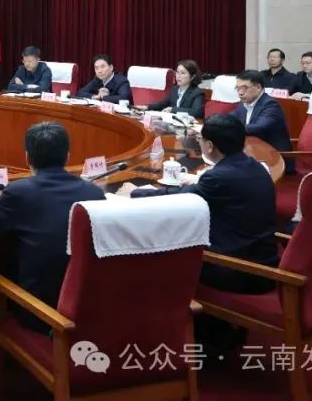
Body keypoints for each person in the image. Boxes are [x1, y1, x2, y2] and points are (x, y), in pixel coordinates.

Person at [118, 114, 278, 294]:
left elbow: (182, 197)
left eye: (201, 139)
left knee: (157, 250)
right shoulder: (256, 166)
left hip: (239, 270)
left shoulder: (218, 177)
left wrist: (134, 192)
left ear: (209, 146)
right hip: (263, 260)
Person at [0, 122, 105, 331]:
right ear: (67, 156)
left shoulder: (20, 192)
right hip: (86, 312)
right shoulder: (93, 192)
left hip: (40, 315)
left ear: (27, 158)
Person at [232, 70, 293, 173]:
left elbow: (259, 127)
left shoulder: (270, 105)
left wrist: (231, 127)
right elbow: (230, 118)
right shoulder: (244, 103)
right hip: (253, 155)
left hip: (274, 160)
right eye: (237, 88)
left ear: (258, 87)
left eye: (244, 88)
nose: (240, 92)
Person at [141, 59, 206, 117]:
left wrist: (173, 109)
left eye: (183, 73)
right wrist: (146, 107)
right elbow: (162, 104)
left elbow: (196, 112)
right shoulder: (174, 89)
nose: (178, 76)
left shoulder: (197, 93)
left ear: (192, 77)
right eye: (177, 72)